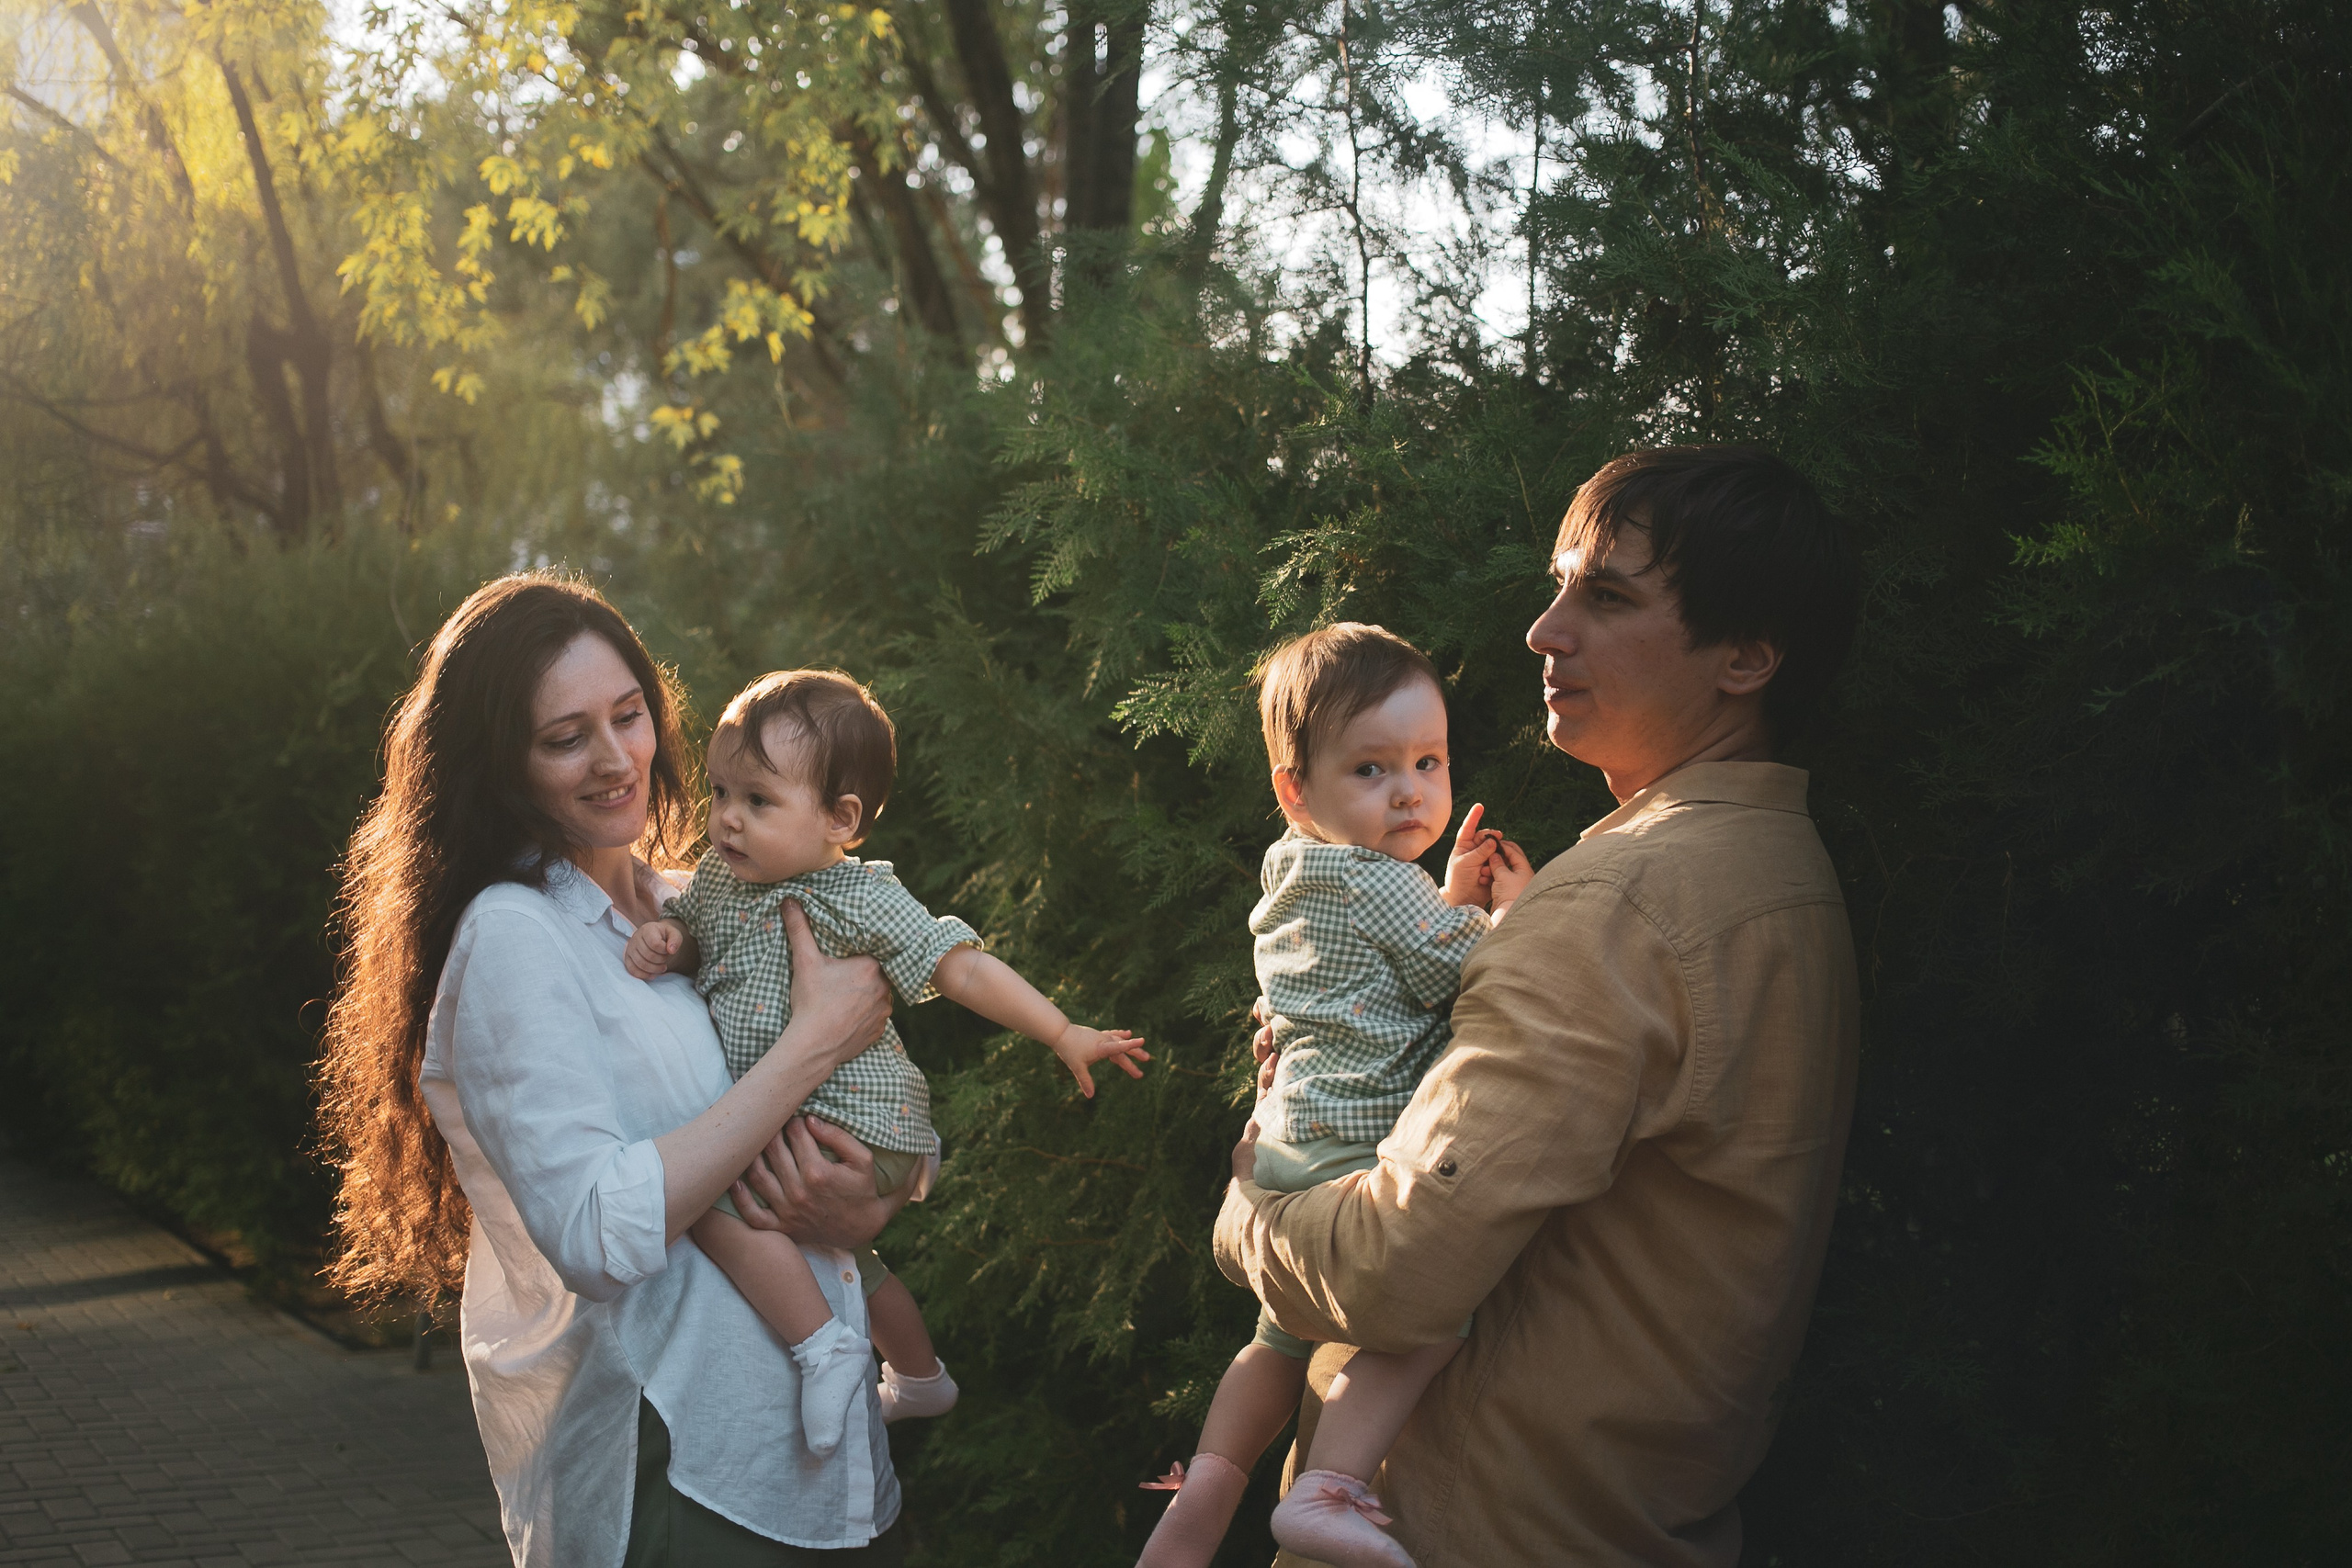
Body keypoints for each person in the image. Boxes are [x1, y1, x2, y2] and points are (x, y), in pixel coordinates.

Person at [1215, 446, 1864, 1567]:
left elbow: (1391, 1267)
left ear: (1747, 657)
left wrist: (1244, 1211)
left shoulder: (1616, 902)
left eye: (1605, 596)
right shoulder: (1781, 871)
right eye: (1557, 585)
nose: (1543, 632)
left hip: (1467, 1532)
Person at [318, 573, 917, 1566]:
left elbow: (849, 1101)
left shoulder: (703, 906)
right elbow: (595, 1232)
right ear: (501, 766)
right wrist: (813, 1040)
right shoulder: (517, 937)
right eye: (565, 738)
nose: (614, 760)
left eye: (628, 716)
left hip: (835, 1468)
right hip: (686, 1466)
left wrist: (873, 1200)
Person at [624, 669, 1149, 1455]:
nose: (727, 818)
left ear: (841, 819)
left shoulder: (854, 896)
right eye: (720, 790)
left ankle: (825, 1349)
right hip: (807, 1122)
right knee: (848, 1263)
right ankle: (921, 1375)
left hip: (858, 1115)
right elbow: (701, 939)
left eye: (758, 800)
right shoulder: (717, 885)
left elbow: (959, 964)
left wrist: (1061, 1029)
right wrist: (673, 941)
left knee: (704, 1204)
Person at [1136, 625, 1533, 1568]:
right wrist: (1511, 916)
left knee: (1277, 1340)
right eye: (1370, 769)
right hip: (1357, 1143)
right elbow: (1462, 973)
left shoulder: (1296, 867)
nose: (1408, 790)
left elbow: (1380, 967)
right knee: (1431, 1320)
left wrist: (1440, 896)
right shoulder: (1372, 877)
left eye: (1428, 762)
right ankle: (1327, 1486)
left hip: (1289, 1141)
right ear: (1295, 789)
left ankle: (1200, 1505)